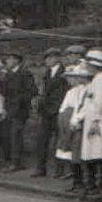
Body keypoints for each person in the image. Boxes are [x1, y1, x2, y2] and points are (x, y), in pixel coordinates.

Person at [73, 49, 102, 199]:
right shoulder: (96, 79)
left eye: (88, 64)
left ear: (94, 65)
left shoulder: (100, 78)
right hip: (94, 116)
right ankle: (93, 184)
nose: (86, 67)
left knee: (100, 151)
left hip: (99, 119)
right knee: (94, 151)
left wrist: (95, 121)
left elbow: (99, 102)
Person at [32, 47, 68, 178]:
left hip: (58, 110)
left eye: (51, 57)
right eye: (47, 58)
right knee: (42, 140)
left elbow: (64, 93)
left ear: (57, 58)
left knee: (60, 141)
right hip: (46, 111)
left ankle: (60, 170)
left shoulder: (64, 72)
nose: (48, 60)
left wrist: (60, 108)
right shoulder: (47, 73)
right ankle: (40, 168)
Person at [0, 53, 37, 173]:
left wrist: (19, 102)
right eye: (8, 59)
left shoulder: (25, 73)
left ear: (17, 60)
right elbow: (5, 92)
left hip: (20, 110)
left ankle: (16, 163)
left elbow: (32, 91)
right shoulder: (7, 74)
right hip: (9, 109)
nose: (8, 61)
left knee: (16, 135)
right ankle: (11, 160)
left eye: (10, 59)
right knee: (9, 135)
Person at [59, 64, 92, 193]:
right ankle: (77, 182)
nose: (76, 80)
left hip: (82, 123)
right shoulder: (76, 90)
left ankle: (85, 182)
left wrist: (76, 119)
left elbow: (85, 107)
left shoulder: (88, 89)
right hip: (73, 123)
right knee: (73, 153)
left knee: (80, 153)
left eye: (78, 77)